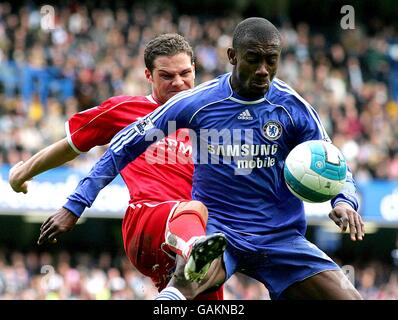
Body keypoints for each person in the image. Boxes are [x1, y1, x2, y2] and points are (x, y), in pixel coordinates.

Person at [39, 17, 365, 300]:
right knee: (188, 282)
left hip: (281, 237)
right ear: (233, 56)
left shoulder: (293, 108)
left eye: (272, 60)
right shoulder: (199, 102)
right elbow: (124, 143)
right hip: (219, 231)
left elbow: (332, 161)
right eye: (254, 59)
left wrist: (344, 200)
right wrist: (75, 205)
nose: (264, 70)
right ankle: (178, 288)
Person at [9, 33, 226, 300]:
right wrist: (21, 173)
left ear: (195, 69)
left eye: (185, 73)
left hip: (194, 234)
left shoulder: (214, 119)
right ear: (148, 75)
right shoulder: (126, 110)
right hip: (146, 222)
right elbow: (70, 145)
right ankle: (193, 248)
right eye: (167, 76)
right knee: (194, 211)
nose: (179, 82)